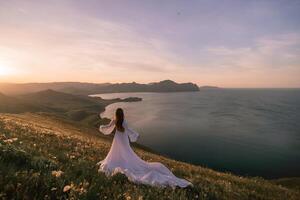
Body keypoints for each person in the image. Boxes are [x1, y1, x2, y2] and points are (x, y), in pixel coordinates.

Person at [97, 108, 192, 188]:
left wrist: (101, 127)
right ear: (122, 114)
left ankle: (120, 161)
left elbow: (108, 127)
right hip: (124, 139)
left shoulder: (114, 120)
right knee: (127, 152)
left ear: (116, 114)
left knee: (117, 151)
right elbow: (129, 130)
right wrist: (135, 135)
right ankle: (125, 162)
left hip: (117, 139)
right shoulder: (124, 122)